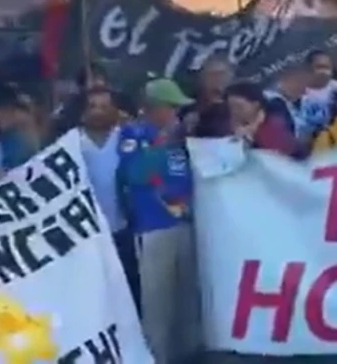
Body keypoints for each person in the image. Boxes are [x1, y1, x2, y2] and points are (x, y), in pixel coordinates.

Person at [117, 78, 200, 363]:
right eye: (172, 107)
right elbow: (134, 174)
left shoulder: (181, 138)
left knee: (188, 299)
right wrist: (161, 140)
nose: (177, 113)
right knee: (158, 305)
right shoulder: (133, 134)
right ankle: (157, 358)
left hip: (186, 225)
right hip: (153, 228)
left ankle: (189, 355)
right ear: (155, 108)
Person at [66, 87, 138, 300]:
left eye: (105, 106)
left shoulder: (128, 135)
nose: (98, 112)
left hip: (123, 228)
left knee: (130, 287)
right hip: (89, 233)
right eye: (92, 106)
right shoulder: (71, 142)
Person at [226, 81, 305, 157]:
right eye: (230, 107)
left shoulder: (273, 125)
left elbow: (280, 158)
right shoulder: (234, 125)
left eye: (239, 107)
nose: (234, 111)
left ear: (256, 104)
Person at [180, 56, 233, 137]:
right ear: (202, 77)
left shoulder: (233, 108)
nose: (217, 80)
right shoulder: (187, 105)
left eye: (221, 75)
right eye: (212, 75)